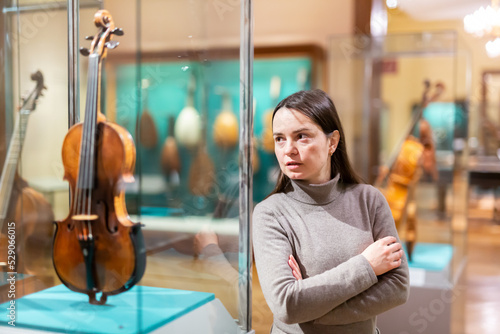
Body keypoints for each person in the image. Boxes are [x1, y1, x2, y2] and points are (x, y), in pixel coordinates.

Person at [252, 89, 409, 334]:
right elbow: (286, 305)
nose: (288, 149)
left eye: (301, 136)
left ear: (332, 142)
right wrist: (367, 266)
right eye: (279, 138)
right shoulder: (269, 214)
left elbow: (397, 288)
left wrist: (311, 310)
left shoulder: (370, 201)